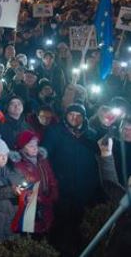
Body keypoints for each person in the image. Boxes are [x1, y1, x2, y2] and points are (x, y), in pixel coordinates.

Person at [41, 103, 102, 253]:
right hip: (61, 188)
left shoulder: (91, 134)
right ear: (66, 115)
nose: (74, 118)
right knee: (60, 225)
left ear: (84, 117)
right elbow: (44, 157)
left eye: (79, 115)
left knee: (79, 226)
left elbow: (99, 159)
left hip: (84, 189)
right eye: (71, 115)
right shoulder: (55, 132)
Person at [9, 130, 58, 235]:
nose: (35, 147)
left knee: (47, 235)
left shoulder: (42, 160)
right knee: (32, 237)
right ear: (22, 147)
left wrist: (53, 195)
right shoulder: (18, 165)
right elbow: (20, 188)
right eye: (31, 145)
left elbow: (52, 179)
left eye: (36, 144)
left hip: (47, 205)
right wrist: (36, 198)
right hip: (30, 211)